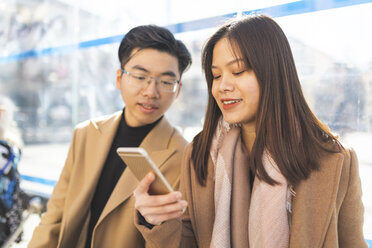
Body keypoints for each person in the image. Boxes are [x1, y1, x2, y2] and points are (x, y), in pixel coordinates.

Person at [133, 15, 367, 247]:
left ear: (273, 72)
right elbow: (190, 240)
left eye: (238, 71)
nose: (223, 86)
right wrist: (158, 222)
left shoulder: (334, 159)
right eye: (216, 75)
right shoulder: (200, 154)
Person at [29, 24, 192, 248]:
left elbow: (181, 241)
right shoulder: (86, 134)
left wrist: (156, 223)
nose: (150, 92)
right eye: (140, 76)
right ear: (119, 78)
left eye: (165, 82)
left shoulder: (185, 156)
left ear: (178, 90)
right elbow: (54, 215)